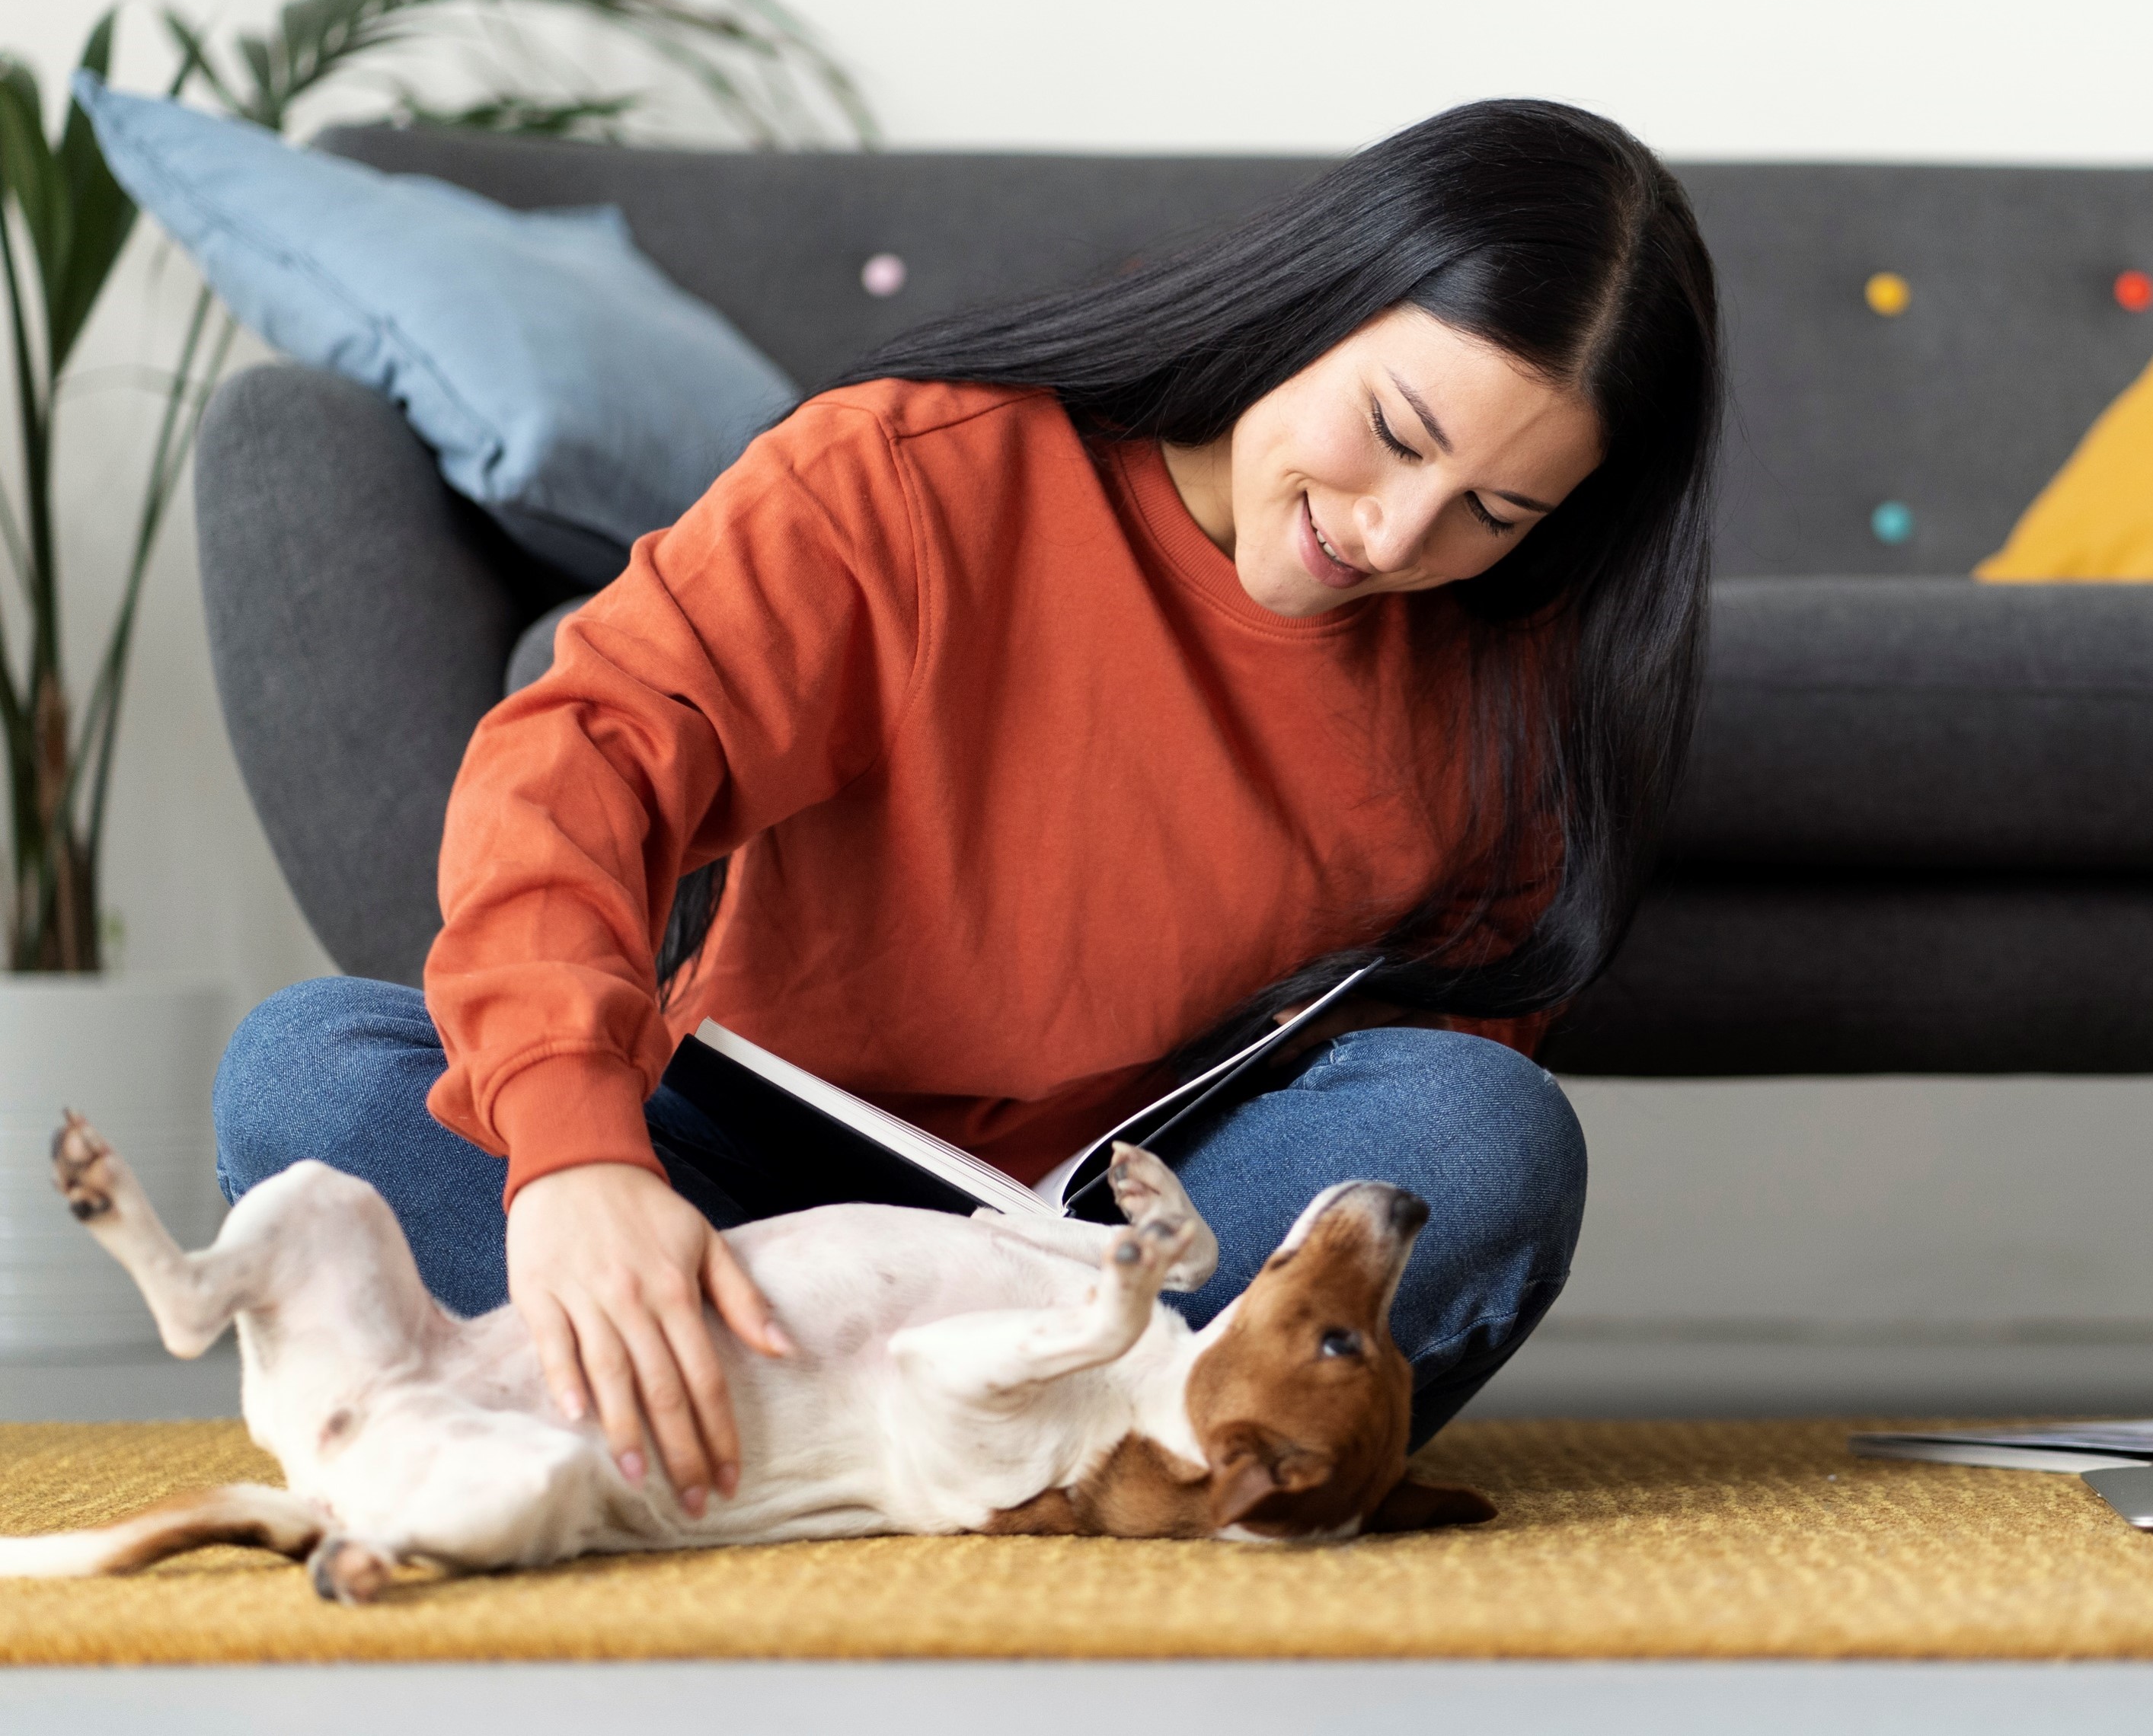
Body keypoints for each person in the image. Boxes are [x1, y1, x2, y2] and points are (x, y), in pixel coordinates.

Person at [212, 98, 1720, 1523]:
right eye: (1394, 431)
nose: (1395, 532)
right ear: (1318, 297)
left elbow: (1438, 1062)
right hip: (732, 1202)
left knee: (1476, 1138)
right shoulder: (917, 468)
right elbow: (586, 752)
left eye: (1492, 513)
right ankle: (933, 1466)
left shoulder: (1504, 676)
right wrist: (577, 1157)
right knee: (304, 1070)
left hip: (1081, 1268)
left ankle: (702, 1454)